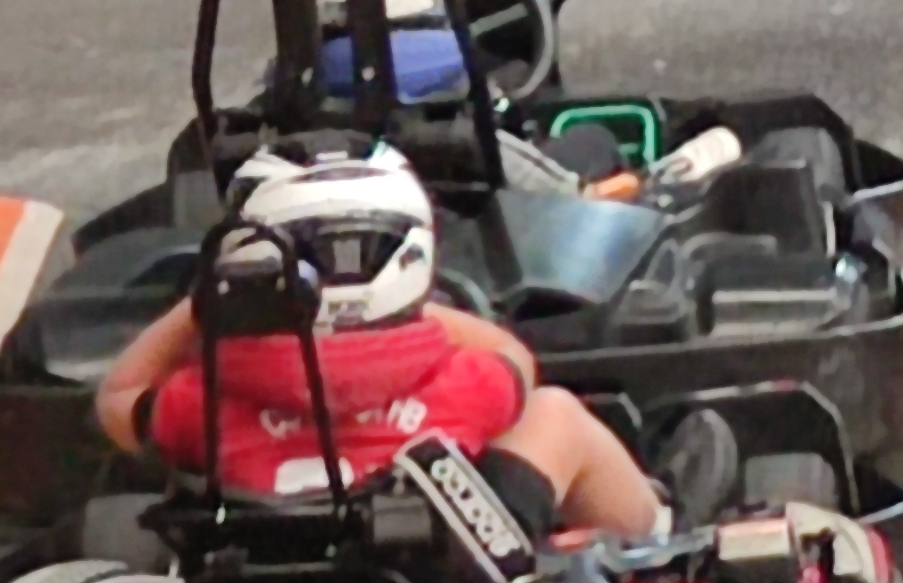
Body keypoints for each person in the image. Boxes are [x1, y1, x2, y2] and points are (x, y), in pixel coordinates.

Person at [90, 147, 670, 540]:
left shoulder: (206, 401)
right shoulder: (456, 383)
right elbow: (515, 360)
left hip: (261, 555)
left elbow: (118, 396)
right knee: (553, 414)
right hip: (451, 564)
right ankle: (650, 532)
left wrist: (201, 310)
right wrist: (413, 304)